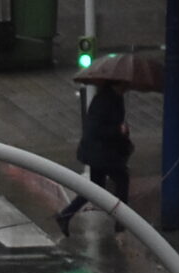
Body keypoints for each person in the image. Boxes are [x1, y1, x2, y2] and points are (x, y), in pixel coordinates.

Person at [56, 82, 132, 235]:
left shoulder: (115, 98)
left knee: (96, 189)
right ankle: (121, 220)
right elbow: (97, 129)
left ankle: (66, 214)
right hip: (100, 153)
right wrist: (118, 130)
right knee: (122, 180)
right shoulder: (104, 101)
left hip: (101, 152)